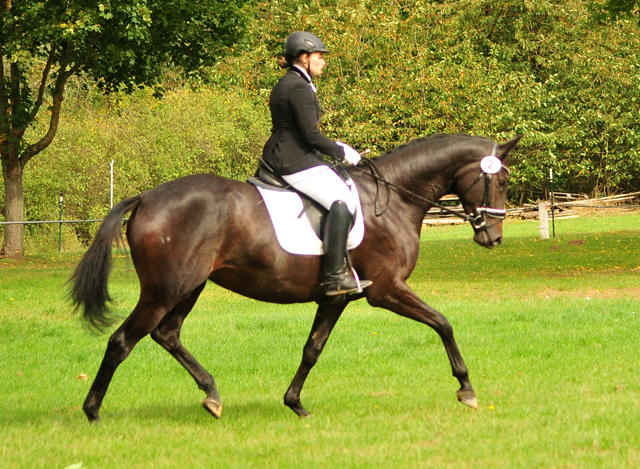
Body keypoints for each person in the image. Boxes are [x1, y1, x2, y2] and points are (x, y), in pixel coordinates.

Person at [262, 31, 371, 296]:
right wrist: (340, 151)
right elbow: (310, 135)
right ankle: (335, 276)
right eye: (319, 56)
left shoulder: (294, 81)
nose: (323, 61)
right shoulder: (297, 86)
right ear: (304, 57)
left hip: (292, 153)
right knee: (341, 202)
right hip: (293, 159)